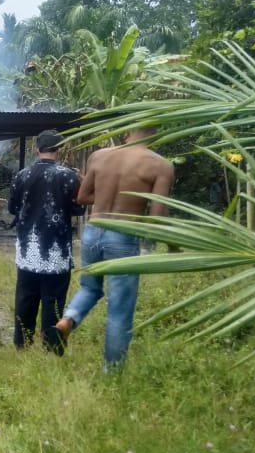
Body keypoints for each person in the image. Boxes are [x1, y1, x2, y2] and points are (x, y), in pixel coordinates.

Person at [55, 126, 175, 369]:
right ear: (158, 132)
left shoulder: (99, 156)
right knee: (120, 308)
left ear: (127, 131)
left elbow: (82, 197)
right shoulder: (160, 165)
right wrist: (174, 246)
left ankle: (67, 320)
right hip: (122, 236)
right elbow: (158, 216)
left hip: (93, 231)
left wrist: (106, 197)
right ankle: (112, 373)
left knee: (90, 288)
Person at [8, 129, 85, 355]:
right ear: (59, 150)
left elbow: (13, 208)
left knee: (25, 299)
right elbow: (79, 208)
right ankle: (52, 349)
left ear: (36, 149)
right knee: (53, 302)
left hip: (27, 251)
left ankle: (22, 346)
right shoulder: (69, 176)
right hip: (56, 251)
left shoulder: (22, 175)